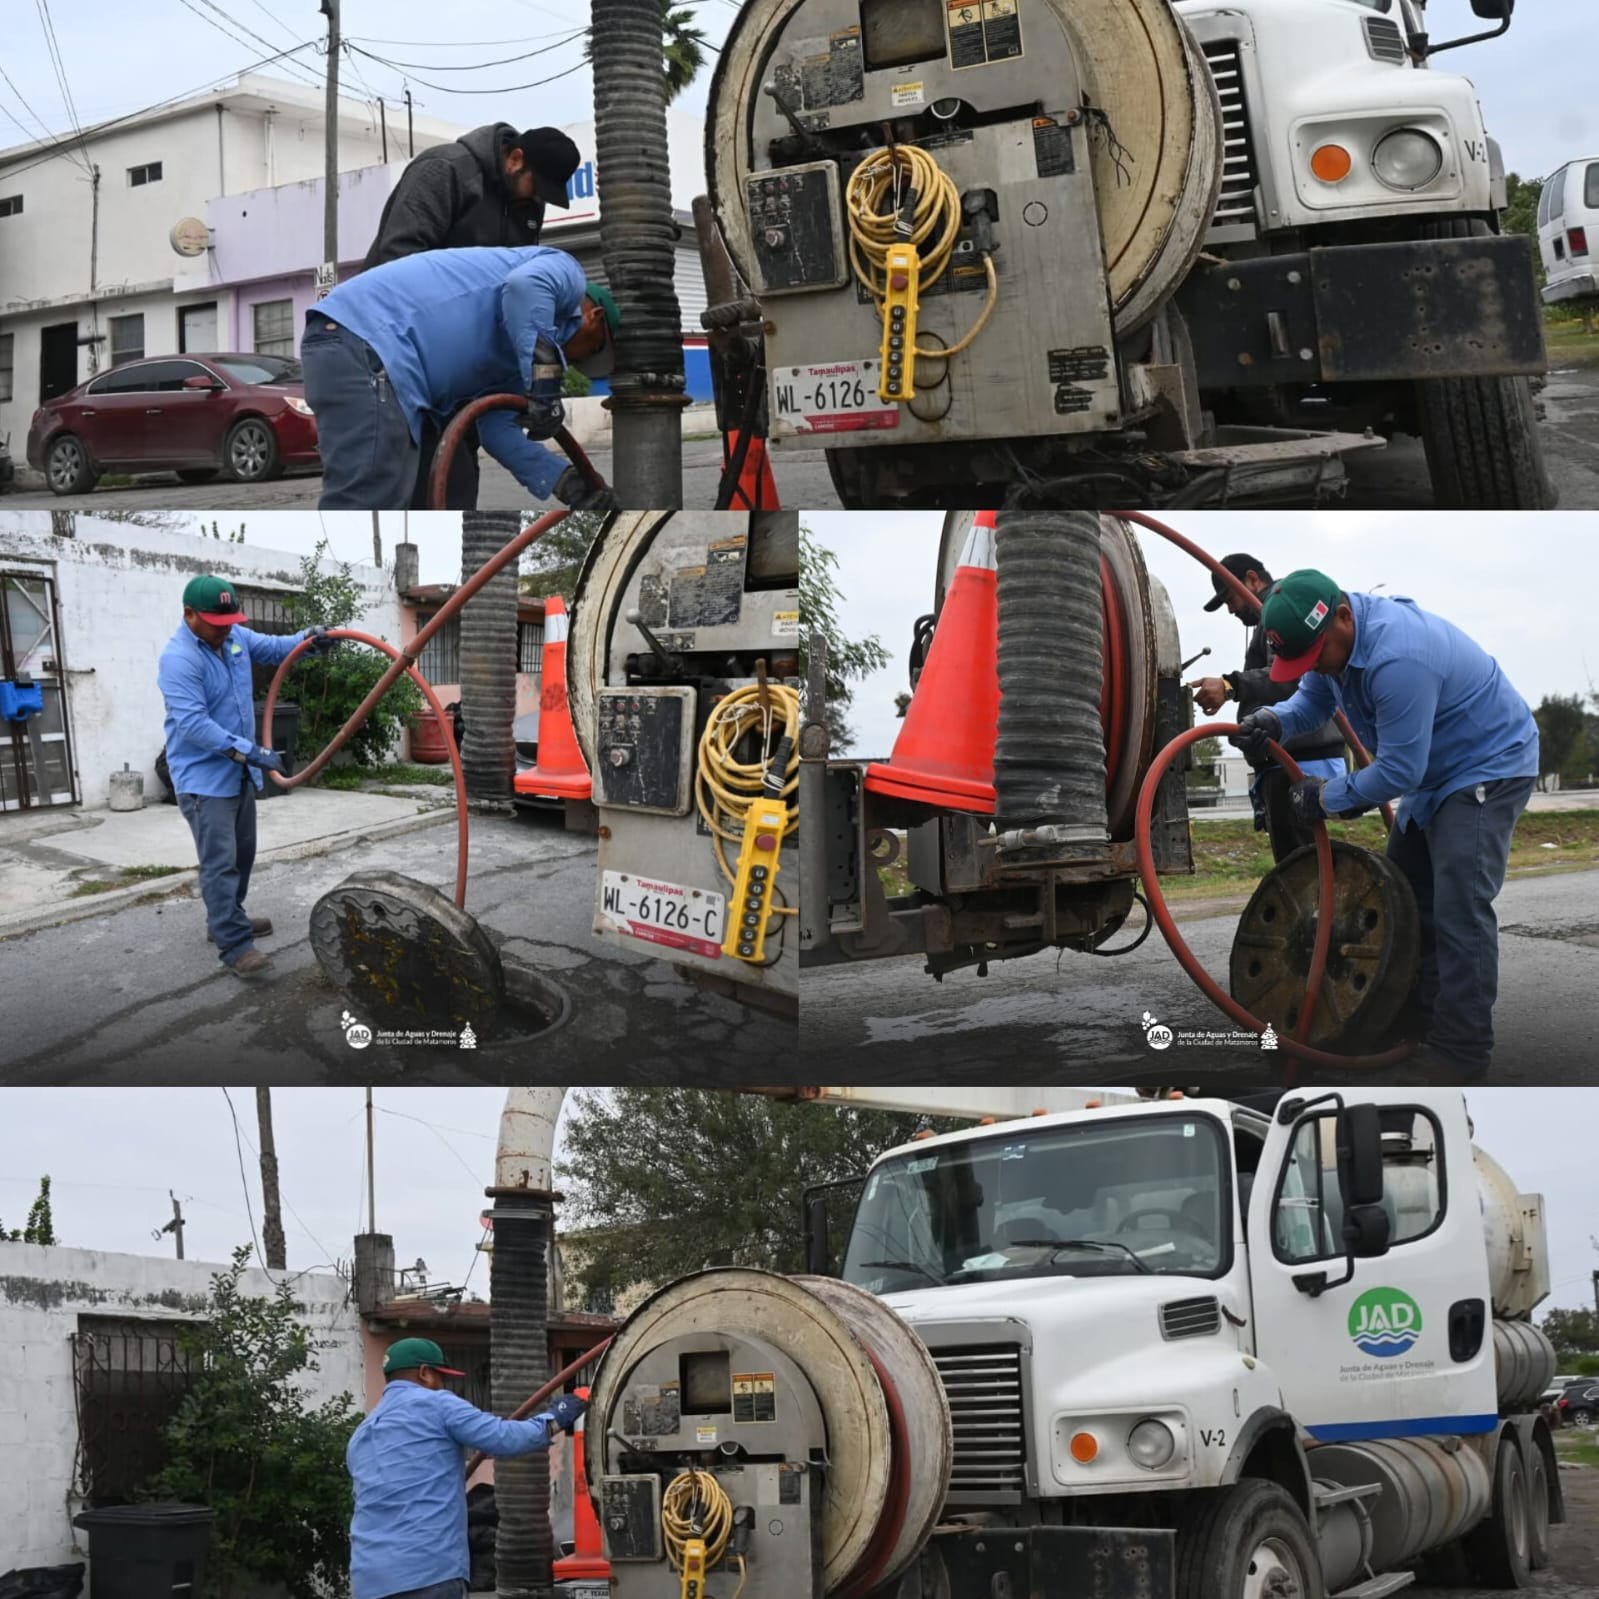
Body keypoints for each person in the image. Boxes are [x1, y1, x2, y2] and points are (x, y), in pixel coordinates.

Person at [1233, 569, 1539, 1081]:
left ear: (1344, 617)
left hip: (1486, 765)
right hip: (1434, 772)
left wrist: (1326, 797)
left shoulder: (1399, 658)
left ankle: (1461, 1050)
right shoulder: (1329, 638)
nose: (1315, 666)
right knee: (1399, 898)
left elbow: (1398, 771)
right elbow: (1313, 701)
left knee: (1458, 906)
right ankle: (1415, 1024)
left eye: (1316, 655)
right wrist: (1276, 720)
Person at [302, 245, 620, 513]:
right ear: (594, 318)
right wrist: (545, 379)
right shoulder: (565, 270)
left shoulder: (510, 359)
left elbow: (499, 433)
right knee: (366, 501)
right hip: (368, 339)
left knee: (387, 499)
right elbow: (525, 287)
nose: (576, 362)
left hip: (365, 352)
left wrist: (571, 485)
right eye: (590, 351)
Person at [364, 124, 583, 512]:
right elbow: (395, 264)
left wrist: (536, 386)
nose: (538, 199)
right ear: (515, 159)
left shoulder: (526, 202)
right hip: (402, 351)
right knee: (408, 479)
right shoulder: (444, 171)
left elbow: (513, 292)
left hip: (461, 367)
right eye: (536, 187)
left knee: (455, 481)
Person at [156, 576, 333, 978]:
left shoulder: (234, 637)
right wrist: (252, 752)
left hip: (238, 773)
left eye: (229, 622)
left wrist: (308, 639)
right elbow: (194, 725)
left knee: (243, 855)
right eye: (216, 624)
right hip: (203, 779)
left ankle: (225, 917)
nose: (225, 630)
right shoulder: (179, 659)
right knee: (220, 863)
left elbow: (275, 648)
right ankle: (234, 944)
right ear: (189, 614)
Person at [348, 1337, 588, 1599]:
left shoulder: (363, 1433)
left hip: (369, 1580)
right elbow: (505, 1439)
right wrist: (555, 1418)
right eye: (442, 1377)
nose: (443, 1386)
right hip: (427, 1573)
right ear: (425, 1373)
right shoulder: (437, 1404)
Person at [1188, 552, 1347, 862]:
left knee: (1302, 870)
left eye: (1230, 598)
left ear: (1251, 579)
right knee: (1305, 865)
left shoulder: (1279, 614)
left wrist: (1231, 685)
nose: (1231, 609)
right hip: (1293, 759)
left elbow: (1288, 677)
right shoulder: (1269, 619)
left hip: (1297, 762)